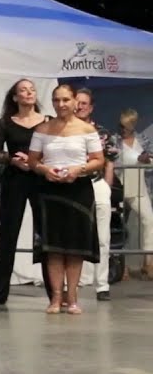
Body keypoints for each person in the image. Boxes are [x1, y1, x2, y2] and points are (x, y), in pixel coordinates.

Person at [27, 84, 103, 314]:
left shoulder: (87, 129)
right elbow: (32, 161)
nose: (61, 105)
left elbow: (98, 160)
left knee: (75, 247)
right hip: (50, 191)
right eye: (57, 100)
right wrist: (44, 170)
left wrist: (78, 169)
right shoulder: (42, 129)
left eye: (66, 100)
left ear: (75, 102)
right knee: (53, 248)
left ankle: (72, 298)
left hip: (78, 190)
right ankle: (55, 298)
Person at [0, 79, 47, 305]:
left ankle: (55, 292)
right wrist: (12, 159)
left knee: (44, 233)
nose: (29, 93)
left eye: (32, 89)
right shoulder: (5, 122)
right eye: (23, 90)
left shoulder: (46, 122)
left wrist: (34, 160)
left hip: (40, 179)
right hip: (14, 180)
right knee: (8, 235)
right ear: (15, 97)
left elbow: (51, 150)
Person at [74, 88, 115, 301]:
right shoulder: (65, 130)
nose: (79, 106)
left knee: (103, 237)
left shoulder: (102, 132)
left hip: (96, 184)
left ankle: (102, 285)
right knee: (73, 235)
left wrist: (106, 187)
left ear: (90, 107)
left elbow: (110, 160)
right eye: (77, 102)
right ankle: (71, 283)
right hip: (72, 184)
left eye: (84, 103)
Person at [115, 109, 153, 278]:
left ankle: (148, 262)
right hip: (120, 186)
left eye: (126, 126)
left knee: (149, 220)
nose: (123, 129)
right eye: (121, 126)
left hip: (139, 186)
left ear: (133, 125)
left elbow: (151, 159)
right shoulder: (114, 141)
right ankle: (121, 266)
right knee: (120, 227)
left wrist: (148, 159)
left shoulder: (142, 140)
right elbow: (111, 163)